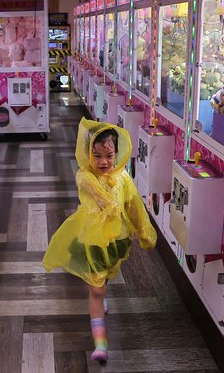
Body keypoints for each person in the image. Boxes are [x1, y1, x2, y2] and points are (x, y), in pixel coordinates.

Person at [42, 118, 157, 364]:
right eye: (96, 156)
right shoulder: (85, 177)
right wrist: (107, 202)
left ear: (117, 153)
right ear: (88, 156)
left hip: (117, 242)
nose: (103, 162)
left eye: (108, 155)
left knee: (104, 278)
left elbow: (134, 205)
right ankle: (100, 343)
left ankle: (100, 295)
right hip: (92, 242)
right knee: (96, 288)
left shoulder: (124, 179)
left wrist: (144, 231)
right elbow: (93, 190)